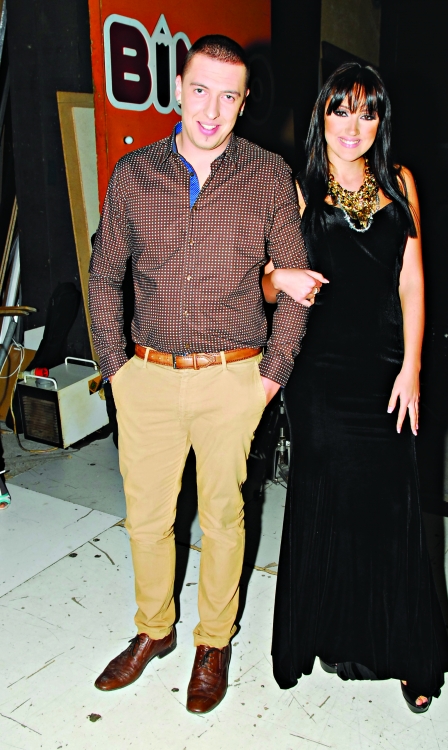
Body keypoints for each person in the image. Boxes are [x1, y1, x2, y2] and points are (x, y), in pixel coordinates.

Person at [88, 34, 312, 714]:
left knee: (222, 517)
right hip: (147, 375)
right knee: (146, 519)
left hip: (232, 378)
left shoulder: (269, 176)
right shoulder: (134, 174)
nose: (211, 110)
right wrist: (117, 372)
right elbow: (104, 277)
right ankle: (154, 629)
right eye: (201, 90)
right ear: (179, 91)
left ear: (244, 104)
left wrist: (270, 377)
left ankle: (213, 642)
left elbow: (296, 284)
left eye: (228, 96)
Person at [263, 63, 448, 713]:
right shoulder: (298, 188)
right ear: (321, 115)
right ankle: (314, 634)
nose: (354, 125)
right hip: (320, 375)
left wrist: (413, 366)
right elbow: (269, 280)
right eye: (341, 110)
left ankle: (407, 651)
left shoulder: (401, 183)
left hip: (386, 368)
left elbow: (412, 281)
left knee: (393, 505)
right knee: (324, 502)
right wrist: (278, 283)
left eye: (367, 112)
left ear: (381, 121)